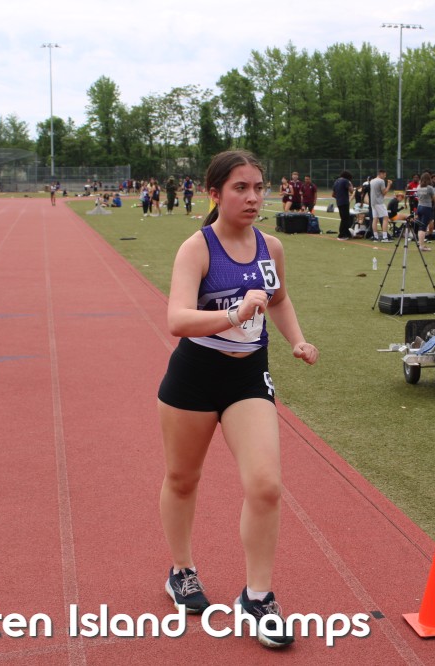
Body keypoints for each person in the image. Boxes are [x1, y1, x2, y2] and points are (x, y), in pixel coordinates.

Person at [157, 150, 318, 649]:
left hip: (248, 376)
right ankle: (181, 570)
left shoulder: (272, 247)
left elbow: (279, 299)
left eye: (258, 187)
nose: (252, 198)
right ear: (215, 193)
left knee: (266, 485)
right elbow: (177, 319)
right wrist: (233, 314)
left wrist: (296, 340)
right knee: (183, 479)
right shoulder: (197, 248)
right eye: (240, 188)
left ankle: (257, 596)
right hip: (194, 377)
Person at [414, 171, 435, 252]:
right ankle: (421, 246)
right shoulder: (429, 188)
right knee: (423, 227)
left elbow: (417, 197)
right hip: (426, 207)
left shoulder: (418, 187)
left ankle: (420, 243)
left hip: (419, 207)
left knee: (421, 226)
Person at [369, 168, 391, 242]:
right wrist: (389, 185)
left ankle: (375, 237)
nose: (385, 176)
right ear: (381, 174)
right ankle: (385, 237)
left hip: (373, 202)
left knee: (375, 219)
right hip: (379, 202)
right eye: (384, 175)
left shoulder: (372, 181)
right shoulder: (381, 181)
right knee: (385, 218)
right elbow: (384, 192)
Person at [332, 170, 354, 240]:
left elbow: (333, 195)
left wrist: (339, 197)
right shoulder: (345, 181)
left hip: (339, 202)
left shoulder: (336, 181)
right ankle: (341, 235)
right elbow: (351, 191)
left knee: (344, 218)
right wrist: (350, 184)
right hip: (344, 202)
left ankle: (347, 233)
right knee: (345, 219)